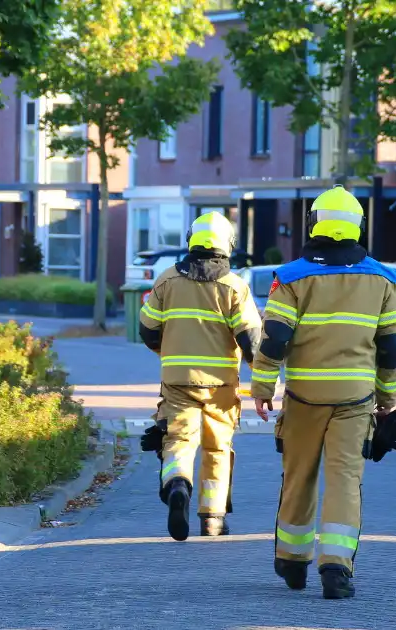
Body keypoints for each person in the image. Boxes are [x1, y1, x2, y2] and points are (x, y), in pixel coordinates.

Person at [251, 185, 396, 600]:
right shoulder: (384, 280)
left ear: (314, 222)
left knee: (298, 476)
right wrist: (387, 399)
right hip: (355, 400)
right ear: (358, 226)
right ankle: (336, 566)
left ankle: (291, 561)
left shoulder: (292, 277)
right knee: (345, 481)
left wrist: (263, 386)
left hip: (303, 398)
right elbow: (390, 348)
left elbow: (274, 338)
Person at [137, 211, 262, 541]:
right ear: (227, 245)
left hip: (177, 381)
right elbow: (252, 341)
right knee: (217, 448)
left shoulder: (166, 280)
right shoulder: (235, 287)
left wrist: (170, 353)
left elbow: (147, 331)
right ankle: (212, 519)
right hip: (221, 386)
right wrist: (264, 378)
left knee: (178, 441)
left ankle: (178, 483)